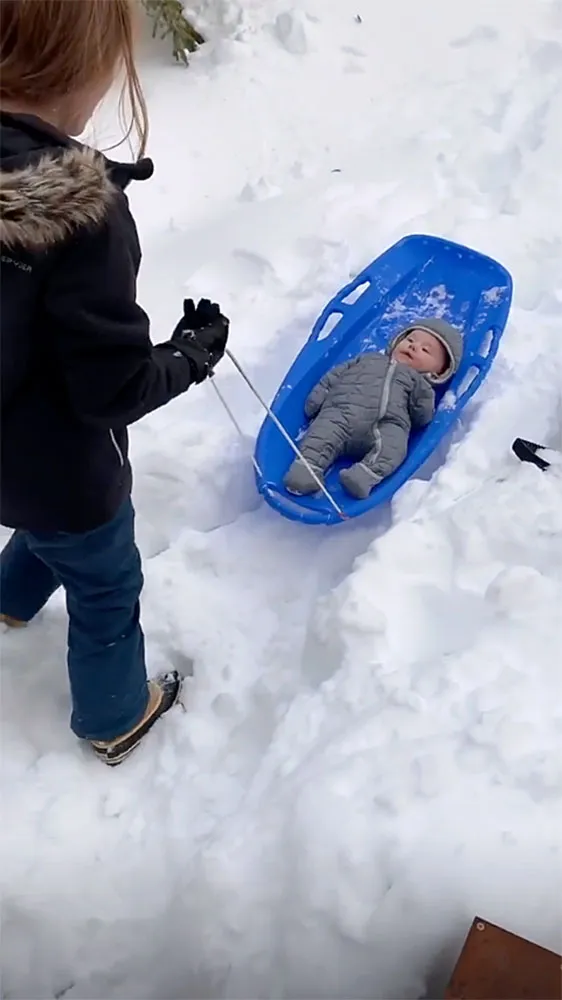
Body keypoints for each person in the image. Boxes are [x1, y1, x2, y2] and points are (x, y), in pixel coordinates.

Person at [0, 0, 229, 765]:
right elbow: (112, 388)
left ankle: (7, 602)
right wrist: (191, 355)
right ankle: (114, 714)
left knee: (40, 524)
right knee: (104, 583)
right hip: (67, 475)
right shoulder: (74, 212)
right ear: (77, 69)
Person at [283, 319, 463, 499]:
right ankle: (306, 471)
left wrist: (425, 399)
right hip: (340, 412)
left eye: (425, 350)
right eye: (410, 340)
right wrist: (317, 399)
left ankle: (363, 476)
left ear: (439, 372)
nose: (414, 347)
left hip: (383, 425)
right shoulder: (367, 359)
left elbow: (422, 416)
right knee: (321, 435)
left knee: (393, 449)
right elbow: (333, 377)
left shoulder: (419, 384)